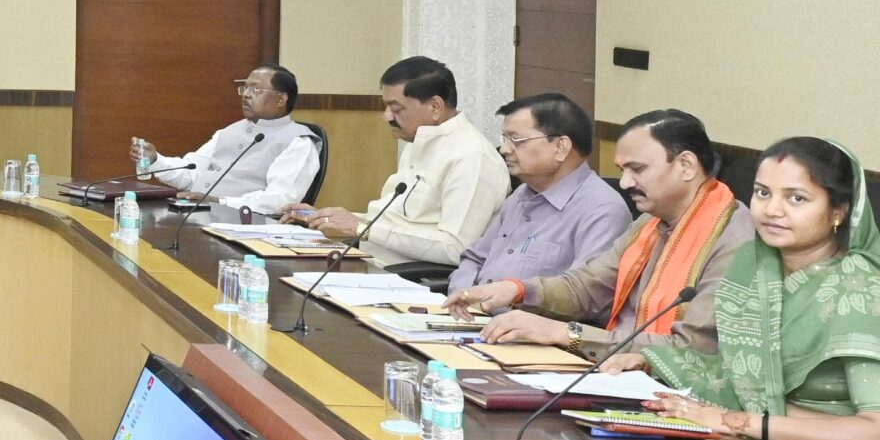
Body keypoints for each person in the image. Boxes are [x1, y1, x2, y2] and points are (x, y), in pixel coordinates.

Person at [615, 138, 880, 440]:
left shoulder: (862, 291)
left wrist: (733, 421)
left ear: (838, 212)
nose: (772, 210)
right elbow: (743, 378)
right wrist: (651, 363)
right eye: (762, 193)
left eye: (796, 198)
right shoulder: (755, 267)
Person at [450, 108, 752, 354]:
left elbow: (692, 348)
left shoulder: (734, 242)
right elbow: (587, 287)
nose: (626, 183)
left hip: (672, 391)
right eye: (623, 171)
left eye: (638, 169)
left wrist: (567, 334)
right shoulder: (649, 223)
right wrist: (517, 290)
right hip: (616, 370)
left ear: (686, 165)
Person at [283, 56, 506, 267]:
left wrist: (362, 228)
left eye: (396, 108)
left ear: (435, 107)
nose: (387, 117)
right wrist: (327, 218)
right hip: (371, 262)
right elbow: (394, 223)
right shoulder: (417, 141)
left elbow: (455, 247)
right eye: (386, 107)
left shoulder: (472, 157)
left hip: (410, 278)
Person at [441, 94, 633, 295]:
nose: (504, 149)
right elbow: (474, 258)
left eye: (516, 140)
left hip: (523, 315)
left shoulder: (602, 211)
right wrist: (464, 297)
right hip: (473, 310)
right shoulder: (522, 194)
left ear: (560, 147)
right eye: (505, 139)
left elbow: (585, 295)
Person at [131, 66, 322, 215]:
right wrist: (156, 160)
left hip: (245, 227)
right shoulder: (229, 132)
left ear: (281, 99)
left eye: (256, 90)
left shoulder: (299, 142)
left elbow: (279, 201)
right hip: (197, 217)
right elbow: (191, 173)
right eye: (245, 88)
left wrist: (220, 202)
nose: (246, 94)